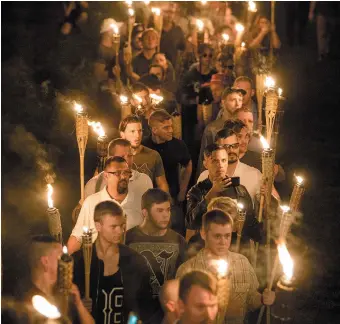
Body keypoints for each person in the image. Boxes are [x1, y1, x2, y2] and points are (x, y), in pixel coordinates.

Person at [176, 210, 275, 323]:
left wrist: (263, 299)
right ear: (203, 234)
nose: (223, 242)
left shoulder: (242, 263)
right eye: (217, 236)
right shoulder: (187, 270)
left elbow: (251, 299)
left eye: (227, 236)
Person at [73, 201, 160, 323]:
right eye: (113, 227)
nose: (119, 231)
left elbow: (143, 305)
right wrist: (80, 305)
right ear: (98, 226)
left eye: (121, 226)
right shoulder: (79, 262)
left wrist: (133, 321)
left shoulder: (134, 261)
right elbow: (65, 305)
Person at [68, 156, 143, 254]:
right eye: (118, 173)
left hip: (132, 262)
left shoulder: (140, 201)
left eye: (126, 173)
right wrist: (67, 263)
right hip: (99, 262)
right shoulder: (92, 202)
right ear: (106, 176)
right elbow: (77, 238)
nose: (123, 177)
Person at [125, 189, 187, 298]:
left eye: (168, 210)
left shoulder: (179, 241)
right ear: (145, 212)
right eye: (160, 210)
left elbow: (183, 280)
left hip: (167, 308)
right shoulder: (128, 239)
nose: (166, 215)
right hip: (136, 308)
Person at [25, 235, 94, 323]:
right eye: (61, 256)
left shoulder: (64, 294)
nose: (66, 262)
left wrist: (79, 304)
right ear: (45, 262)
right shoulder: (30, 303)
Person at [186, 144, 254, 231]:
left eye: (224, 160)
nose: (220, 165)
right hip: (208, 242)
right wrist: (212, 193)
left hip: (235, 242)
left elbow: (251, 223)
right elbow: (191, 223)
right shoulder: (196, 191)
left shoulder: (240, 190)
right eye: (215, 161)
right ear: (205, 164)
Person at [197, 127, 262, 204]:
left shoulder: (254, 175)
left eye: (235, 146)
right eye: (226, 147)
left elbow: (264, 209)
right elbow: (195, 211)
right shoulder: (204, 176)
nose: (231, 150)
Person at [143, 110, 192, 202]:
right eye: (166, 128)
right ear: (154, 130)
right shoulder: (144, 146)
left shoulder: (178, 145)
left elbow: (188, 164)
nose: (171, 130)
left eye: (171, 126)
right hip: (148, 196)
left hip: (173, 196)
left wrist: (182, 191)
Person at [197, 87, 245, 174]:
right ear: (223, 102)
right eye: (233, 100)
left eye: (240, 100)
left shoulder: (244, 128)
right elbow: (204, 158)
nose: (237, 104)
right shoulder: (212, 129)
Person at [84, 138, 152, 199]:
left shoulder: (144, 180)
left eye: (129, 156)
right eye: (122, 157)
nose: (127, 161)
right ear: (110, 158)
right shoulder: (94, 184)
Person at [178, 44, 216, 149]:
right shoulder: (190, 75)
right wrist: (195, 100)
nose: (208, 58)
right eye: (205, 55)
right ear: (199, 56)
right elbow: (181, 95)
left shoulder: (214, 75)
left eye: (210, 55)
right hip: (191, 116)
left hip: (209, 116)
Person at [119, 115, 170, 193]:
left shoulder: (153, 155)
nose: (137, 136)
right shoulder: (116, 156)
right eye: (132, 131)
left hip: (146, 202)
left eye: (140, 131)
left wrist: (166, 201)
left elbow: (162, 183)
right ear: (122, 134)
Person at [94, 18, 123, 86]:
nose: (117, 33)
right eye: (114, 30)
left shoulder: (113, 50)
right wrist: (112, 73)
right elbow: (98, 75)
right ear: (109, 32)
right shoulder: (101, 50)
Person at [159, 3, 186, 68]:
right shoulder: (156, 29)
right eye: (167, 12)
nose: (169, 15)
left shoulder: (178, 31)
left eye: (172, 13)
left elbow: (182, 48)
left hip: (171, 67)